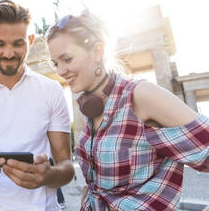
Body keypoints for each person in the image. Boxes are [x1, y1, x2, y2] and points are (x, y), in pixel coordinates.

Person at [45, 11, 209, 211]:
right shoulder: (90, 107)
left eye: (67, 59)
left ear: (97, 51)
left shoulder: (140, 95)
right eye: (55, 63)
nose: (60, 71)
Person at [0, 0, 75, 211]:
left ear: (30, 40)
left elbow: (67, 168)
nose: (8, 53)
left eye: (18, 44)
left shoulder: (51, 91)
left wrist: (48, 176)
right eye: (0, 44)